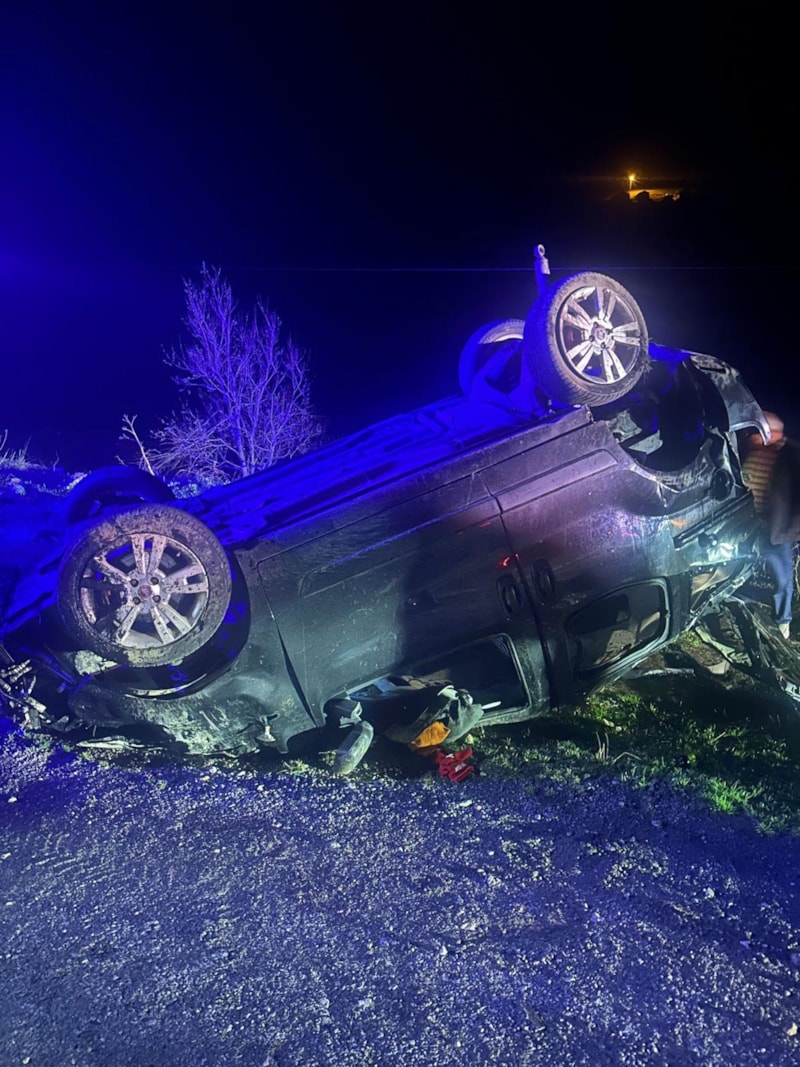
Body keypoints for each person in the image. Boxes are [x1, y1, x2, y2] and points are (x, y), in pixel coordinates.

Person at [741, 412, 800, 639]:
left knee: (782, 579)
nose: (752, 435)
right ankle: (738, 608)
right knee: (736, 568)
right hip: (746, 525)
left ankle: (782, 623)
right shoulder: (750, 451)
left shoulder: (791, 455)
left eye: (757, 431)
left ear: (772, 433)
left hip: (775, 529)